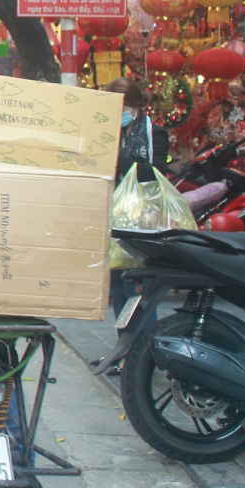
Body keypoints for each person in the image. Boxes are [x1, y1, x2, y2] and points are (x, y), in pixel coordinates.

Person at [103, 76, 170, 327]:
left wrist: (121, 161)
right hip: (115, 221)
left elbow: (158, 174)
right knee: (119, 289)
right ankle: (126, 352)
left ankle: (142, 351)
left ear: (133, 106)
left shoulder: (154, 133)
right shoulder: (111, 133)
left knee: (138, 291)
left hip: (143, 220)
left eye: (121, 108)